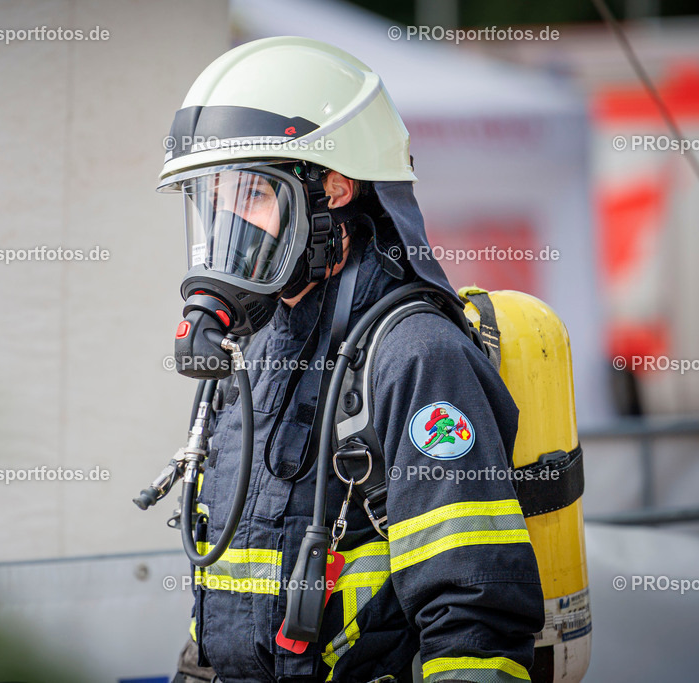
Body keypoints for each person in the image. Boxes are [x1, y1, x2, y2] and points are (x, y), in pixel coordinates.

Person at [160, 37, 544, 683]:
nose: (231, 220)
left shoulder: (417, 356)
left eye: (252, 193)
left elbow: (475, 609)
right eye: (215, 197)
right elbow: (225, 593)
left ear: (333, 188)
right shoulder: (255, 349)